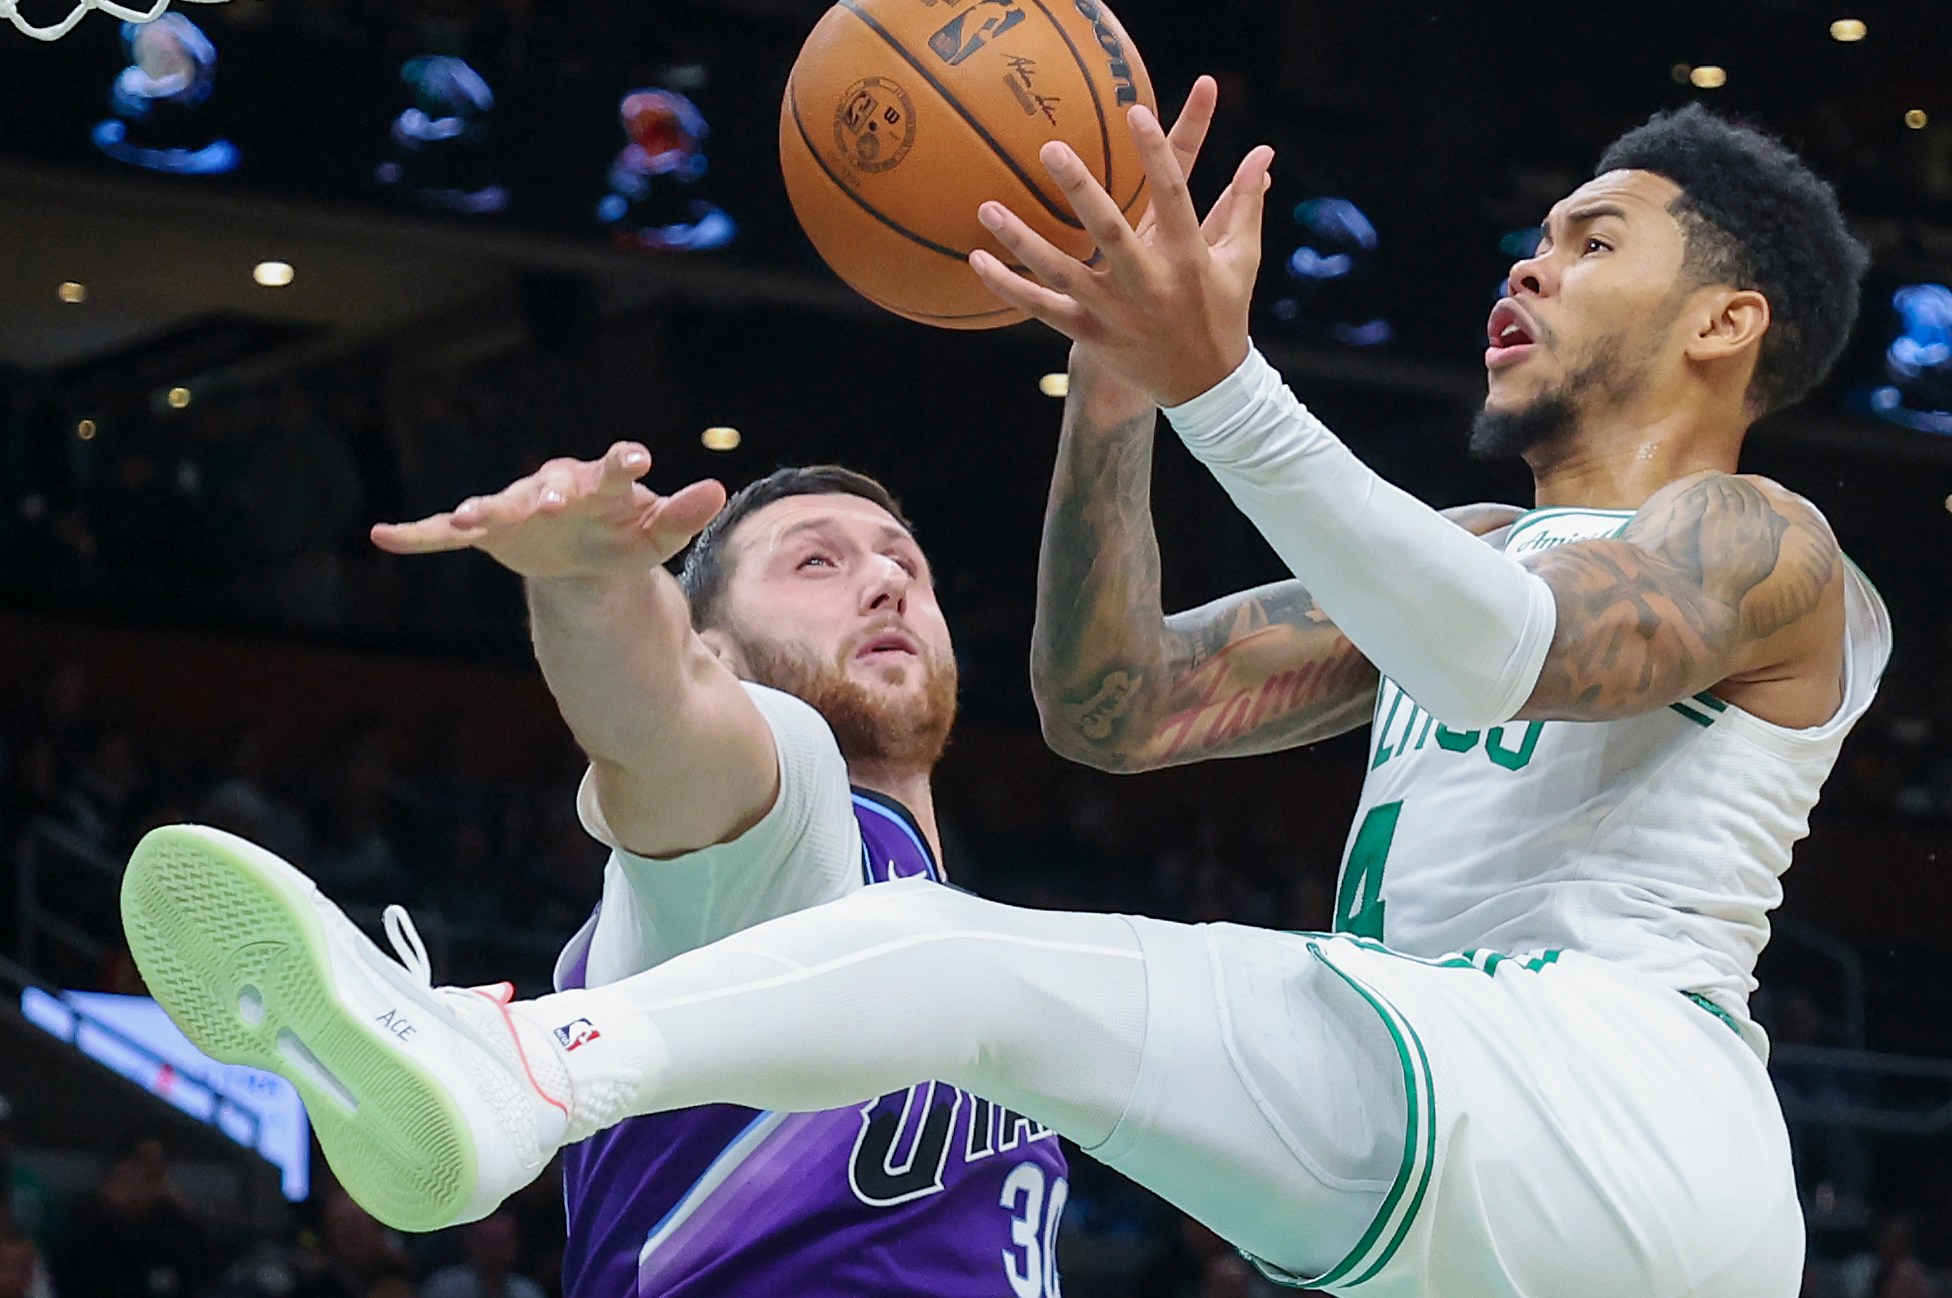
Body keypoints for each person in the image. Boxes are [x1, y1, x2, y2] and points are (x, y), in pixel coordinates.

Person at [120, 87, 1884, 1298]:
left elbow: (1508, 647)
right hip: (1478, 1183)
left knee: (962, 960)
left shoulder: (1763, 543)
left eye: (1592, 240)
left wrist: (1224, 382)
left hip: (1607, 1101)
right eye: (1538, 234)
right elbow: (1117, 707)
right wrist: (1115, 398)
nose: (1527, 262)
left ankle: (514, 1061)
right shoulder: (1463, 553)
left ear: (1724, 322)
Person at [124, 455, 1067, 1298]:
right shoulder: (785, 831)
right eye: (817, 562)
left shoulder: (979, 941)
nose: (886, 583)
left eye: (906, 564)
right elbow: (668, 721)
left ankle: (508, 1056)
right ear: (715, 652)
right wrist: (591, 587)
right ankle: (503, 1058)